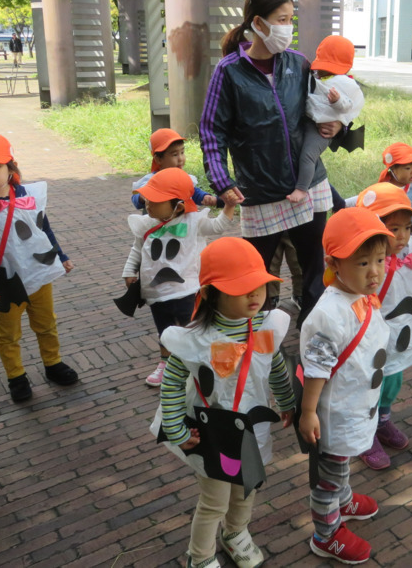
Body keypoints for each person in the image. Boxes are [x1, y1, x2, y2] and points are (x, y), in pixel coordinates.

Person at [200, 0, 340, 325]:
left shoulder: (298, 63)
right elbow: (211, 131)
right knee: (254, 276)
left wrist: (337, 122)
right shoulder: (229, 72)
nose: (288, 28)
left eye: (292, 19)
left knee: (314, 272)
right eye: (282, 19)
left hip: (308, 187)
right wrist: (222, 181)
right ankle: (258, 347)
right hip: (259, 193)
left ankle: (313, 338)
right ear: (258, 24)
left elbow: (321, 108)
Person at [150, 237, 295, 568]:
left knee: (247, 487)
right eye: (241, 288)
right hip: (213, 435)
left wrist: (286, 400)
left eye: (259, 285)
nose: (255, 294)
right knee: (214, 500)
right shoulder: (196, 340)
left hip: (250, 430)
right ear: (211, 293)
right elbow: (172, 383)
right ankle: (199, 556)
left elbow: (275, 365)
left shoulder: (267, 326)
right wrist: (175, 429)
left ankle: (236, 533)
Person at [0, 133, 79, 402]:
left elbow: (43, 228)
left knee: (46, 324)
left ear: (11, 167)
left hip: (39, 275)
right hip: (5, 284)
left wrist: (60, 255)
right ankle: (16, 376)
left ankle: (53, 363)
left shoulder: (31, 195)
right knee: (8, 334)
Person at [299, 207, 392, 564]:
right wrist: (309, 412)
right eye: (362, 263)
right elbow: (317, 368)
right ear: (334, 263)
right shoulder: (329, 314)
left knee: (343, 463)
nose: (375, 272)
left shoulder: (359, 296)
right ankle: (326, 533)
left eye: (380, 260)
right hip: (334, 414)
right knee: (328, 476)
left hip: (356, 406)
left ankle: (345, 500)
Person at [122, 168, 238, 386]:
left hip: (187, 291)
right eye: (148, 199)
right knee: (165, 332)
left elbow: (218, 226)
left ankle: (199, 362)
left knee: (192, 328)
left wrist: (229, 206)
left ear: (178, 205)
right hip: (156, 292)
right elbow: (137, 249)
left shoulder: (193, 221)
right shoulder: (147, 223)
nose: (148, 204)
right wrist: (129, 271)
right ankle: (165, 363)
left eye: (155, 201)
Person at [353, 184, 412, 470]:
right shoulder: (362, 260)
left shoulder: (410, 246)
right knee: (371, 385)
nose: (402, 236)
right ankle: (365, 434)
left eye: (407, 228)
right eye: (393, 229)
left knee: (393, 381)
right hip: (373, 336)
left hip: (401, 331)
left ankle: (383, 421)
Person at [287, 35, 365, 204]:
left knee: (308, 155)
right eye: (323, 67)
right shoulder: (313, 75)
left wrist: (337, 106)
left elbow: (349, 108)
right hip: (306, 124)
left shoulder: (345, 84)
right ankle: (340, 204)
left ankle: (301, 189)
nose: (323, 72)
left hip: (320, 131)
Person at [131, 128, 220, 212]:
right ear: (158, 159)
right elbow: (136, 200)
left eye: (182, 152)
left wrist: (205, 197)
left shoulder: (183, 178)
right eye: (174, 154)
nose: (181, 158)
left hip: (182, 226)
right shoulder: (152, 181)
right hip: (160, 226)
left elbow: (193, 192)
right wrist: (142, 197)